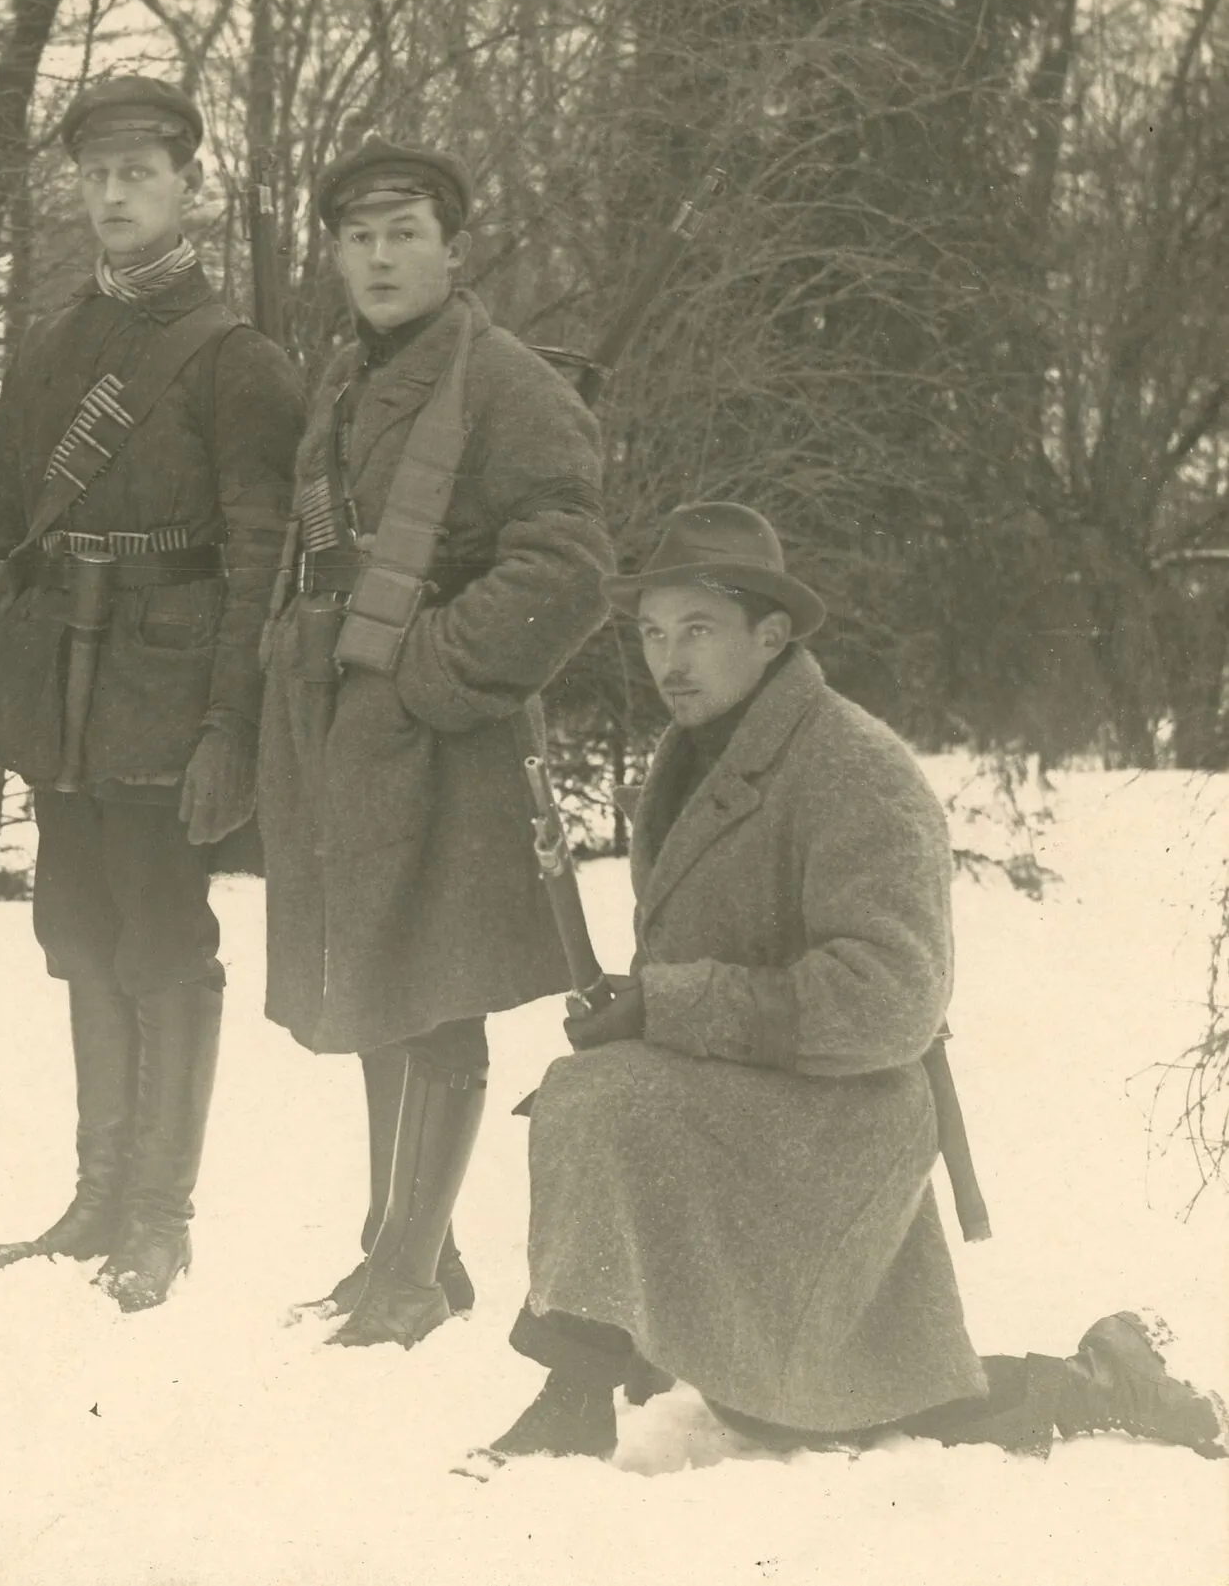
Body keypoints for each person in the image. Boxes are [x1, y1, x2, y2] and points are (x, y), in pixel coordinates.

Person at [491, 501, 1227, 1461]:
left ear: (771, 635)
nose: (670, 659)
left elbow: (890, 998)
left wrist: (666, 1006)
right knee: (808, 1403)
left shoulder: (855, 768)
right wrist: (639, 1009)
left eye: (698, 630)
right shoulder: (694, 761)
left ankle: (573, 1396)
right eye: (653, 633)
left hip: (841, 1119)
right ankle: (1096, 1378)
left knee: (597, 1099)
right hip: (751, 1103)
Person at [0, 77, 304, 1311]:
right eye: (96, 175)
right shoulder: (53, 348)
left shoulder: (235, 361)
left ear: (186, 187)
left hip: (168, 683)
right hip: (61, 683)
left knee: (162, 939)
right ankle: (96, 1198)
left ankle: (160, 1218)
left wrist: (229, 722)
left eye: (137, 174)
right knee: (77, 932)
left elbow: (262, 560)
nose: (113, 195)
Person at [256, 140, 614, 1346]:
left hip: (444, 736)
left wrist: (430, 671)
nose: (378, 257)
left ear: (452, 251)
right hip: (346, 729)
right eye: (356, 237)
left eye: (403, 233)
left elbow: (566, 567)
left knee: (439, 994)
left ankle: (407, 1276)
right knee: (376, 978)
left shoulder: (507, 383)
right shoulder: (345, 378)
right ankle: (407, 1249)